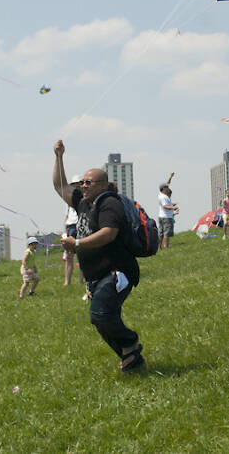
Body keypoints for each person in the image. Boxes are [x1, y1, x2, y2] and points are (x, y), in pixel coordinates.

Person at [53, 139, 146, 373]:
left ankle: (130, 343)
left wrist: (77, 243)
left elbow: (108, 234)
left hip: (116, 272)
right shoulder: (83, 204)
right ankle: (131, 357)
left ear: (103, 185)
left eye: (88, 182)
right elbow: (61, 187)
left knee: (100, 313)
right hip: (96, 276)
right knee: (99, 319)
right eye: (82, 182)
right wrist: (59, 157)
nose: (83, 186)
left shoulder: (109, 204)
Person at [64, 174, 84, 286]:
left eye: (78, 184)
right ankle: (67, 282)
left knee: (82, 254)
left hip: (79, 225)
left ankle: (81, 281)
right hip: (70, 226)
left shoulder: (83, 197)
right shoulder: (69, 199)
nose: (76, 186)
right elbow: (66, 216)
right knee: (69, 256)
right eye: (74, 184)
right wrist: (65, 230)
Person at [158, 174, 178, 248]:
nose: (167, 188)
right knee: (166, 232)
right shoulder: (163, 197)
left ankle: (159, 246)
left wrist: (170, 177)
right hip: (166, 217)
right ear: (163, 189)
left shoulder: (162, 194)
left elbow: (167, 183)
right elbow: (165, 206)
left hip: (162, 216)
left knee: (161, 232)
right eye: (166, 188)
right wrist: (173, 208)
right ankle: (166, 246)